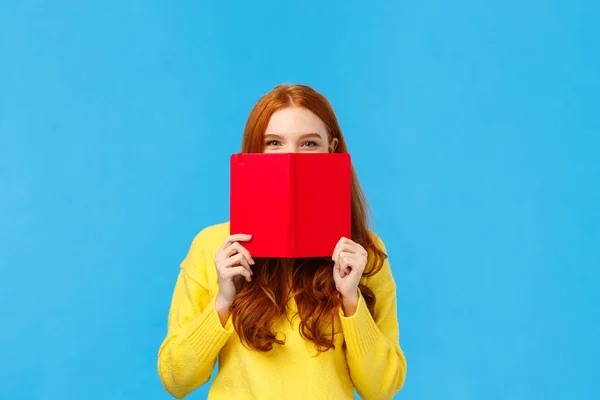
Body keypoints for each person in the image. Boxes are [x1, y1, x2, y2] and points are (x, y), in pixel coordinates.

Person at [157, 84, 407, 399]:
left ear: (331, 149)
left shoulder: (362, 253)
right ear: (252, 153)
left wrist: (351, 300)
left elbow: (382, 388)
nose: (290, 157)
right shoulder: (213, 247)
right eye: (273, 143)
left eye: (309, 143)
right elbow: (176, 379)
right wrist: (223, 300)